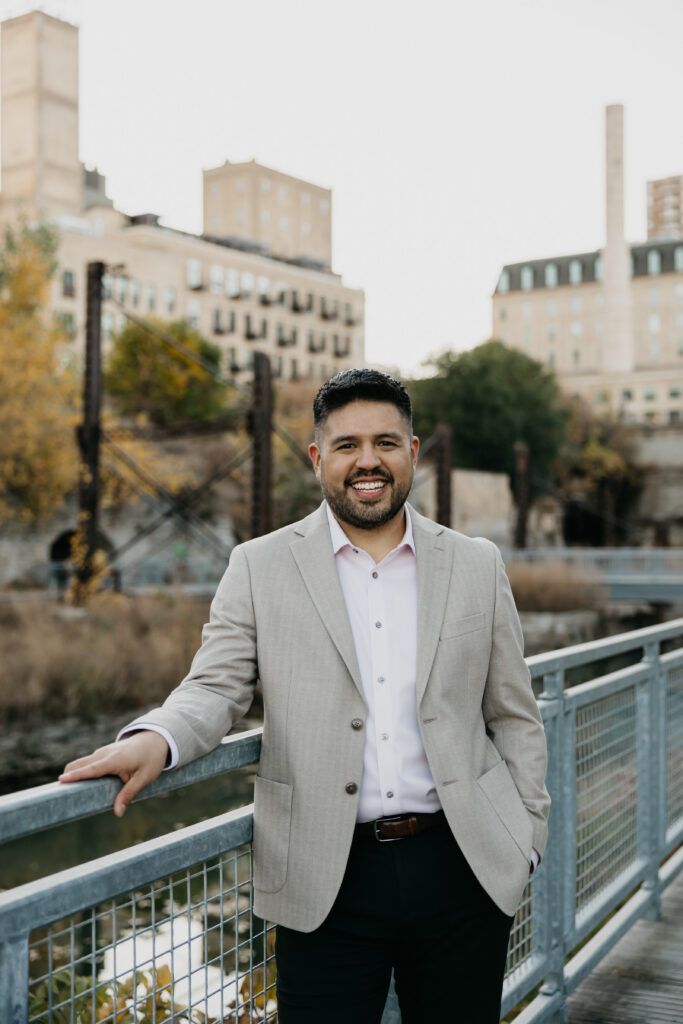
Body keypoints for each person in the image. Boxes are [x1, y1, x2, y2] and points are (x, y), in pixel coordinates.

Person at [61, 368, 550, 1023]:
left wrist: (529, 836)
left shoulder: (476, 563)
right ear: (318, 459)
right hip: (323, 874)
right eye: (347, 445)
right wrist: (158, 738)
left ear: (411, 453)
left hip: (463, 864)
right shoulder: (258, 566)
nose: (367, 461)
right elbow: (215, 684)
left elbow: (514, 714)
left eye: (385, 442)